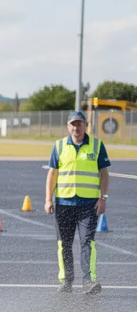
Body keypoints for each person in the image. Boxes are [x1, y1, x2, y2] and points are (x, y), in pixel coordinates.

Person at [45, 111, 110, 293]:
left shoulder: (97, 146)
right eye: (73, 124)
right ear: (68, 127)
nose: (76, 127)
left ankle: (89, 280)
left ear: (86, 125)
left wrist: (103, 198)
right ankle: (66, 281)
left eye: (80, 124)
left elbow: (104, 174)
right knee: (63, 243)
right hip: (64, 203)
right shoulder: (59, 146)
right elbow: (52, 174)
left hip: (88, 205)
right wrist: (48, 199)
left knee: (87, 242)